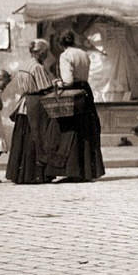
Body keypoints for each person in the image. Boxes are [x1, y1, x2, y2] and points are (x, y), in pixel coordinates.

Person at [45, 30, 105, 182]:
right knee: (85, 129)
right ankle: (86, 170)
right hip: (85, 91)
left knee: (67, 131)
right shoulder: (83, 54)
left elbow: (68, 80)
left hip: (72, 93)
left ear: (60, 44)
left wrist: (58, 82)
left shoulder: (65, 55)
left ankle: (72, 170)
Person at [5, 39, 60, 184]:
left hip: (25, 103)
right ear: (41, 53)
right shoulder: (37, 67)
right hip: (36, 105)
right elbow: (44, 88)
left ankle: (20, 173)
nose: (47, 55)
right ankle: (35, 174)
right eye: (46, 52)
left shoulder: (24, 65)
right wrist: (55, 83)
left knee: (23, 139)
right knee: (39, 137)